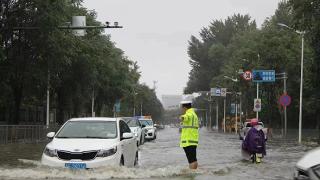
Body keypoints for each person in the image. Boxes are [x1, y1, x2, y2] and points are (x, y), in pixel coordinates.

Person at [179, 100, 199, 169]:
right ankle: (194, 172)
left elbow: (186, 117)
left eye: (182, 108)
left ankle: (192, 174)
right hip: (192, 140)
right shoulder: (194, 115)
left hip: (188, 141)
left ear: (185, 108)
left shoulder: (189, 114)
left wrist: (182, 117)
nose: (181, 110)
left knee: (191, 160)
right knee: (193, 159)